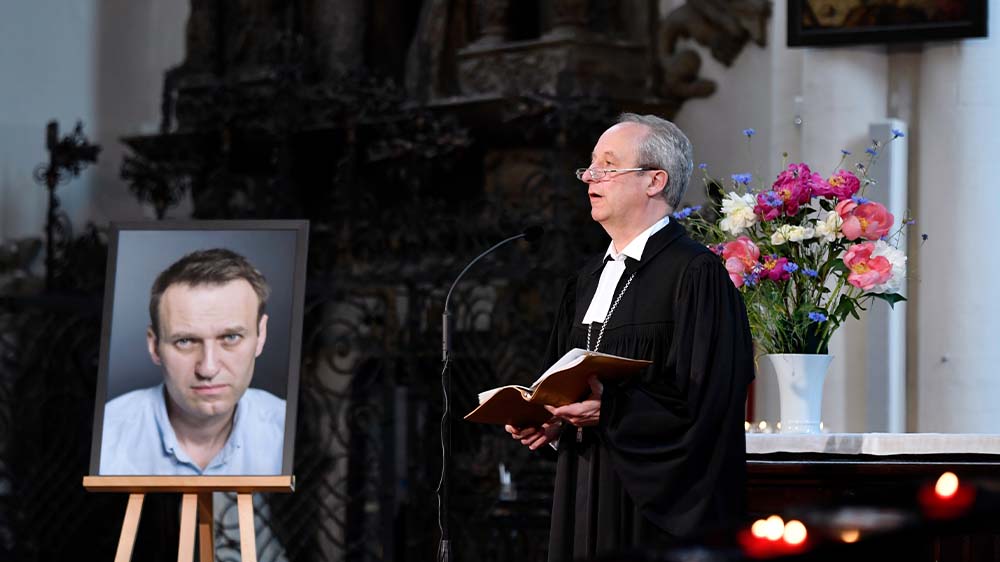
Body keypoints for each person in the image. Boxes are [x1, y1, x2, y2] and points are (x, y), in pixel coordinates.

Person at [506, 114, 754, 560]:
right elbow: (561, 381)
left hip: (653, 508)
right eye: (590, 167)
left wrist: (614, 411)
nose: (590, 177)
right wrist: (552, 417)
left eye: (608, 166)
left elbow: (711, 399)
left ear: (654, 181)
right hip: (583, 485)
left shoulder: (696, 274)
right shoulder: (586, 281)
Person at [99, 248, 285, 475]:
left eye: (230, 338)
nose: (208, 368)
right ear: (154, 346)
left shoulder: (288, 430)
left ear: (261, 335)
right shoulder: (105, 434)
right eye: (185, 341)